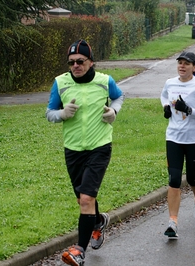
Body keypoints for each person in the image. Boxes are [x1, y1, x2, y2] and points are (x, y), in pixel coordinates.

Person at [46, 39, 124, 266]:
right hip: (73, 149)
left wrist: (114, 112)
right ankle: (98, 221)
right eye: (71, 63)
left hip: (99, 146)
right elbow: (49, 113)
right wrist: (61, 114)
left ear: (91, 62)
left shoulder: (104, 81)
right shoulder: (60, 83)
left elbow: (120, 96)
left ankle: (79, 251)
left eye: (80, 61)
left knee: (86, 198)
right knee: (83, 198)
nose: (75, 66)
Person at [160, 52, 195, 238]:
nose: (182, 66)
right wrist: (166, 108)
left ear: (193, 67)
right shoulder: (170, 83)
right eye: (180, 63)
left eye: (186, 64)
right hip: (173, 137)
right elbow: (164, 96)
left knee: (191, 178)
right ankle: (172, 222)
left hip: (194, 139)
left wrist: (189, 110)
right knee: (174, 178)